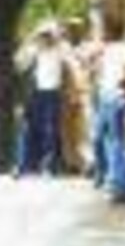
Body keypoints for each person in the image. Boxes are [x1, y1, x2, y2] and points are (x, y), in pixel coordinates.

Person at [15, 21, 68, 176]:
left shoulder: (60, 51)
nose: (46, 38)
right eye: (43, 35)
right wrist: (29, 43)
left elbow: (70, 60)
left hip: (52, 93)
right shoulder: (33, 51)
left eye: (48, 35)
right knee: (27, 128)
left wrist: (58, 37)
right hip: (34, 93)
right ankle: (23, 164)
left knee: (50, 130)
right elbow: (19, 65)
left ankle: (48, 165)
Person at [92, 15, 125, 202]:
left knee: (115, 139)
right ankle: (104, 173)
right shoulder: (106, 49)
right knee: (98, 137)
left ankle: (116, 182)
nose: (104, 33)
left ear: (111, 31)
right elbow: (96, 69)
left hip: (117, 98)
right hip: (104, 97)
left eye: (105, 30)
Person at [60, 17, 97, 175]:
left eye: (76, 28)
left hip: (84, 91)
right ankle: (71, 162)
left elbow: (94, 67)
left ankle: (88, 162)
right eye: (70, 28)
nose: (73, 31)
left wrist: (86, 64)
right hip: (66, 92)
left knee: (86, 128)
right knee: (67, 130)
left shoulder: (88, 48)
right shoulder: (62, 49)